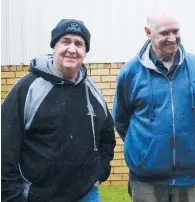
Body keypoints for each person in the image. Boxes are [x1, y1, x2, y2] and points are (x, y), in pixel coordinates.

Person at [112, 7, 195, 202]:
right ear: (148, 33)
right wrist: (147, 150)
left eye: (176, 31)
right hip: (146, 182)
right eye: (164, 33)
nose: (172, 38)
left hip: (192, 178)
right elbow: (122, 122)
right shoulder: (130, 72)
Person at [1, 19, 116, 202]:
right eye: (65, 41)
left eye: (79, 44)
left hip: (86, 195)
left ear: (85, 52)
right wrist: (11, 195)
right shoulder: (28, 88)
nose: (72, 49)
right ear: (54, 46)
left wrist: (99, 172)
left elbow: (107, 137)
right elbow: (5, 146)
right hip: (38, 196)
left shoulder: (92, 90)